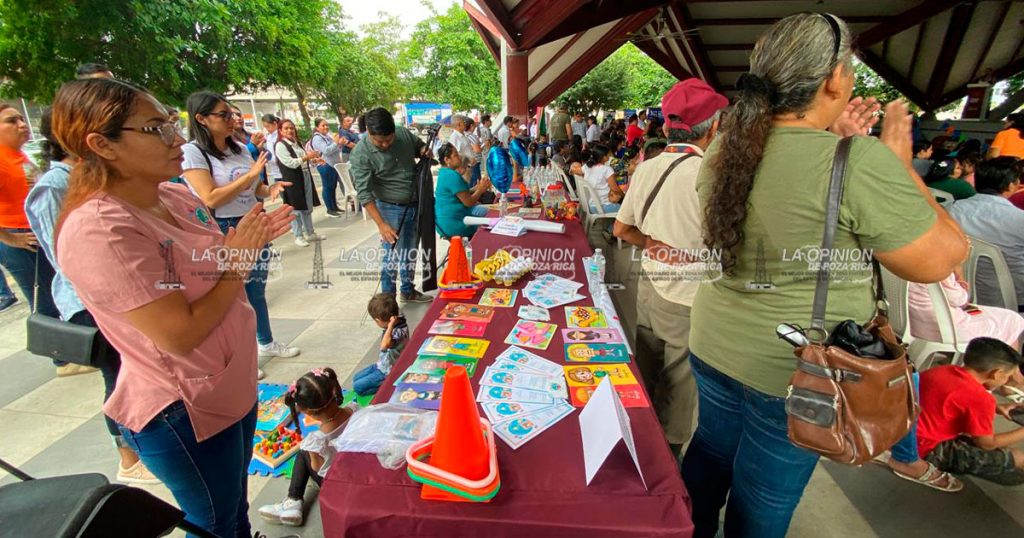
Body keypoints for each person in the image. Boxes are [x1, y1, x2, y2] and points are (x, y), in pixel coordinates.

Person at [683, 13, 968, 538]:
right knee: (764, 491)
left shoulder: (725, 146)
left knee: (713, 449)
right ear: (835, 79)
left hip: (715, 341)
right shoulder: (858, 160)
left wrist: (840, 144)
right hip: (797, 369)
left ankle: (690, 529)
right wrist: (899, 162)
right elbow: (941, 259)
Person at [52, 77, 295, 538]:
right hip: (184, 407)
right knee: (214, 523)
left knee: (232, 509)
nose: (178, 140)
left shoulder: (175, 196)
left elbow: (206, 268)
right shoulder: (101, 230)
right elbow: (179, 333)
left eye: (170, 124)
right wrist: (239, 259)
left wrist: (243, 238)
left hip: (229, 382)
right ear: (102, 144)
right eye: (156, 129)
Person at [26, 107, 161, 484]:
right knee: (118, 379)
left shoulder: (97, 176)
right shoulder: (55, 184)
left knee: (136, 373)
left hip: (121, 295)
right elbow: (66, 254)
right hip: (90, 302)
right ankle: (129, 457)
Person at [613, 78, 728, 457]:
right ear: (713, 127)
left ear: (666, 126)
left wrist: (654, 246)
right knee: (679, 387)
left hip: (649, 285)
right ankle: (668, 461)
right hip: (686, 297)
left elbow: (621, 229)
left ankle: (640, 445)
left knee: (646, 369)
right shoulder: (710, 175)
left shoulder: (647, 167)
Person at [181, 91, 301, 366]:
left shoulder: (237, 147)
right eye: (223, 115)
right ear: (201, 118)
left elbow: (253, 186)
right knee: (232, 295)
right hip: (225, 229)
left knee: (255, 290)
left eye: (232, 114)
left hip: (254, 222)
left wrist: (269, 188)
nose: (231, 120)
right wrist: (250, 175)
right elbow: (210, 197)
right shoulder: (192, 152)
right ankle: (238, 356)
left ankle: (265, 342)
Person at [0, 104, 66, 366]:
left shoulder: (18, 156)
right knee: (42, 299)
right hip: (20, 239)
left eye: (21, 118)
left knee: (52, 292)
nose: (22, 124)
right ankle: (61, 359)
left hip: (35, 235)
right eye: (11, 121)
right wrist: (10, 238)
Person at [349, 107, 433, 304]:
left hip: (416, 202)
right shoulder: (361, 154)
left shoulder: (402, 133)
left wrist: (423, 150)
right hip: (389, 208)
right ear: (368, 132)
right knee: (391, 256)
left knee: (410, 251)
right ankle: (388, 300)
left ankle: (408, 290)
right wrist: (381, 224)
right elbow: (365, 194)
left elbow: (418, 145)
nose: (386, 144)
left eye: (389, 139)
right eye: (380, 141)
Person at [258, 368, 359, 526]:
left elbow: (317, 468)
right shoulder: (355, 410)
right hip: (359, 472)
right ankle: (293, 501)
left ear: (306, 411)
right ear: (333, 390)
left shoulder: (316, 440)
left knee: (303, 453)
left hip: (338, 485)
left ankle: (293, 500)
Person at [917, 337, 1024, 485]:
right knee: (1019, 458)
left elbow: (955, 400)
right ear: (997, 373)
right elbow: (987, 444)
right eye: (1007, 376)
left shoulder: (941, 370)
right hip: (925, 449)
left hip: (905, 432)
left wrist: (997, 407)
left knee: (1000, 449)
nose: (1006, 380)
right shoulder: (981, 399)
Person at [949, 157, 1024, 309]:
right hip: (1016, 299)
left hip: (963, 294)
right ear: (1011, 186)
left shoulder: (951, 210)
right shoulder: (1019, 219)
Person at [909, 268, 1024, 347]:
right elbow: (961, 300)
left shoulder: (901, 261)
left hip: (913, 326)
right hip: (947, 329)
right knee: (1013, 320)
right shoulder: (939, 268)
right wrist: (959, 276)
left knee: (1002, 316)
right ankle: (1013, 375)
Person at [276, 119, 323, 247]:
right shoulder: (281, 145)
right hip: (292, 180)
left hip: (305, 176)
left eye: (291, 128)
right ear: (280, 130)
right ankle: (298, 235)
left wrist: (314, 159)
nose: (290, 131)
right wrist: (306, 157)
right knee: (294, 209)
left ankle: (310, 232)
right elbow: (290, 163)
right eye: (286, 128)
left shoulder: (296, 143)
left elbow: (303, 160)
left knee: (307, 206)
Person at [352, 294, 410, 396]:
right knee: (355, 378)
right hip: (381, 364)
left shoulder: (398, 332)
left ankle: (389, 384)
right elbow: (391, 305)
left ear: (378, 320)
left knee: (358, 387)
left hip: (388, 371)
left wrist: (390, 325)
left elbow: (384, 345)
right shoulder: (397, 317)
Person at [433, 143, 492, 239]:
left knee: (488, 212)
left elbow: (461, 193)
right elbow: (468, 202)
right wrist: (480, 190)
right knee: (490, 222)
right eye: (455, 155)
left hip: (447, 221)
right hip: (455, 223)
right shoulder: (451, 175)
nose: (459, 157)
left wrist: (477, 188)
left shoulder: (444, 173)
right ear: (447, 160)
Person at [310, 118, 344, 217]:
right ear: (317, 127)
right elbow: (326, 151)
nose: (326, 127)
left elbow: (335, 149)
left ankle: (334, 207)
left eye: (327, 125)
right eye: (323, 125)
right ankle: (329, 209)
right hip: (325, 165)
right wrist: (336, 143)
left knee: (333, 187)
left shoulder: (327, 137)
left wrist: (340, 143)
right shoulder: (317, 138)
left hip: (333, 165)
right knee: (327, 187)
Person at [581, 145, 623, 212]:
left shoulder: (587, 167)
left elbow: (576, 170)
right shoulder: (606, 169)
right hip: (602, 206)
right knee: (626, 208)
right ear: (603, 157)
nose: (610, 156)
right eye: (608, 154)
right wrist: (624, 196)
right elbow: (615, 189)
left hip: (590, 204)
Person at [262, 113, 283, 187]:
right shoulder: (268, 136)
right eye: (265, 127)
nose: (267, 129)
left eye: (268, 126)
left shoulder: (280, 135)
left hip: (283, 170)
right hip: (275, 171)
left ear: (274, 123)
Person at [465, 118, 484, 187]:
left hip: (467, 162)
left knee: (470, 183)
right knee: (476, 183)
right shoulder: (471, 136)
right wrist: (484, 145)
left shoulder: (464, 135)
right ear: (471, 126)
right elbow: (477, 150)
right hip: (474, 162)